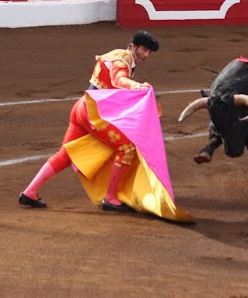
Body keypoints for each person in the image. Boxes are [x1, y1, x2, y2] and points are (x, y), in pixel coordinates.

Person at [19, 31, 189, 219]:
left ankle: (29, 192)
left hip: (82, 107)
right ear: (133, 46)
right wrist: (136, 86)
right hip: (94, 113)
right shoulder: (122, 60)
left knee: (65, 155)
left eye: (149, 52)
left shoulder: (121, 57)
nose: (146, 55)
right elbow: (119, 79)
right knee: (126, 148)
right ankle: (110, 198)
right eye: (144, 50)